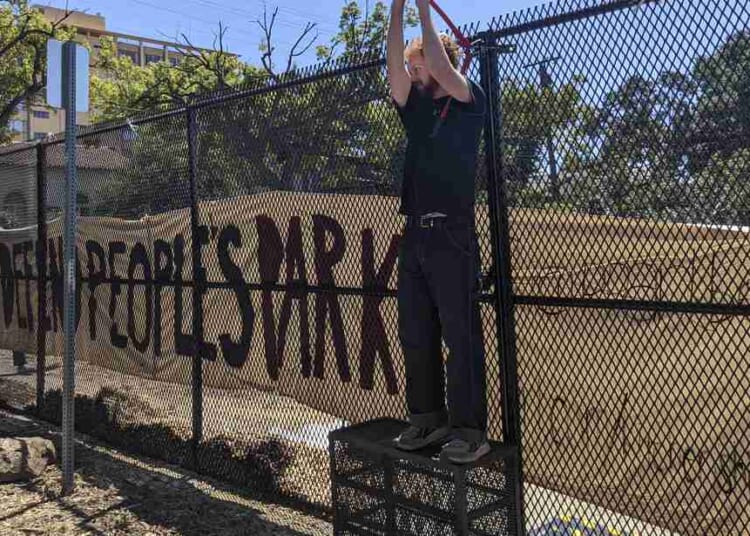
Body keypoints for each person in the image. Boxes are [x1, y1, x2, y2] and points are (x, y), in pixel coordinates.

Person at [387, 0, 489, 463]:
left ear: (438, 59)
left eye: (419, 61)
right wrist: (397, 7)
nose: (411, 69)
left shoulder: (468, 99)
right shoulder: (419, 111)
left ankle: (470, 431)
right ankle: (427, 419)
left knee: (459, 333)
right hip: (416, 235)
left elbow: (441, 63)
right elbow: (391, 66)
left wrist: (423, 15)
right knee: (415, 329)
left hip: (452, 234)